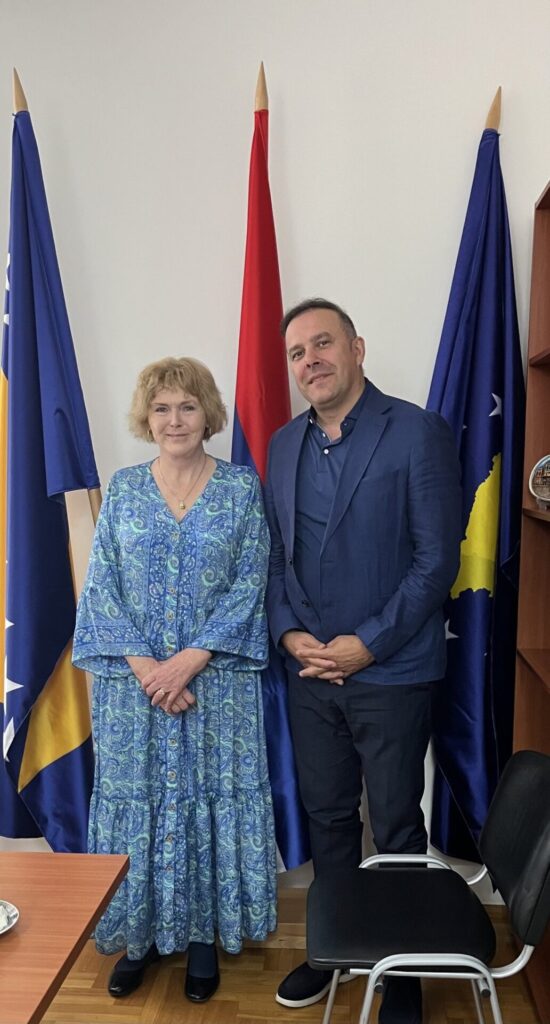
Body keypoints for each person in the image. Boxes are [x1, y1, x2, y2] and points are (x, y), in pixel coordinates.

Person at [264, 299, 462, 1023]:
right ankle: (332, 951)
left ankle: (399, 965)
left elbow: (436, 559)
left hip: (392, 672)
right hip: (309, 674)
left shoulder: (416, 432)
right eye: (296, 353)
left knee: (397, 824)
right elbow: (276, 559)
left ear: (357, 349)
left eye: (323, 344)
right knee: (328, 819)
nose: (309, 360)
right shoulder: (283, 445)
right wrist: (289, 636)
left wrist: (368, 642)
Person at [73, 356, 277, 1004]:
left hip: (216, 688)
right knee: (141, 808)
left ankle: (200, 942)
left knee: (207, 804)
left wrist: (189, 661)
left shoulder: (242, 488)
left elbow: (252, 582)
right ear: (147, 416)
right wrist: (147, 670)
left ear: (207, 413)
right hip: (134, 696)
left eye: (187, 406)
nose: (175, 419)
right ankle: (137, 940)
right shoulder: (125, 488)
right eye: (162, 408)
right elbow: (100, 586)